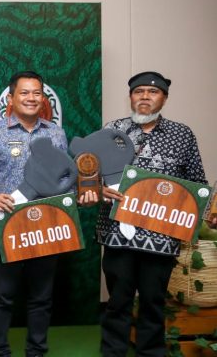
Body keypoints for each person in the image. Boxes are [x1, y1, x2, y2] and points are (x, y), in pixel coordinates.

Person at [80, 71, 212, 356]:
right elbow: (87, 173)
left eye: (153, 92)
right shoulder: (112, 130)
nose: (145, 97)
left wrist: (208, 211)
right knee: (118, 301)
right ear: (130, 97)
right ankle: (113, 352)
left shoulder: (182, 134)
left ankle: (151, 352)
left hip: (162, 235)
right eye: (138, 92)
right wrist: (99, 189)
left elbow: (197, 182)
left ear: (164, 98)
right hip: (118, 233)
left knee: (153, 301)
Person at [0, 71, 68, 357]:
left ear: (43, 98)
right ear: (11, 98)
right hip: (6, 227)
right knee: (2, 296)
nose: (31, 98)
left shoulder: (55, 133)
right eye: (25, 93)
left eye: (36, 93)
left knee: (41, 297)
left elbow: (65, 177)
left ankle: (36, 351)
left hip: (46, 227)